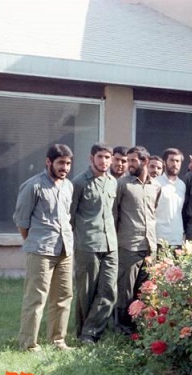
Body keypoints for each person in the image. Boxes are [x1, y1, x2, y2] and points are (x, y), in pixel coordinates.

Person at [13, 144, 75, 351]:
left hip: (65, 250)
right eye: (60, 163)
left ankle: (58, 341)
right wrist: (34, 241)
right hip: (41, 250)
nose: (65, 167)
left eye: (68, 163)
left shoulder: (68, 186)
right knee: (36, 298)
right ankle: (28, 344)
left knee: (63, 297)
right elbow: (21, 221)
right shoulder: (33, 186)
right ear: (48, 162)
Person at [70, 143, 118, 344]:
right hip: (88, 244)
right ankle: (84, 334)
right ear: (91, 158)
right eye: (100, 157)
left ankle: (91, 331)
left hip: (110, 244)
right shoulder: (79, 183)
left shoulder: (113, 182)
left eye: (107, 157)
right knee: (86, 292)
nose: (104, 161)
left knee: (109, 290)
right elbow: (70, 216)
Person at [113, 146, 161, 335]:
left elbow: (153, 212)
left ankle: (141, 329)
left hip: (149, 247)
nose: (129, 165)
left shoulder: (156, 187)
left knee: (145, 292)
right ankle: (123, 330)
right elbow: (114, 214)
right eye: (128, 161)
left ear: (145, 161)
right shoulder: (122, 185)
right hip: (128, 246)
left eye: (133, 161)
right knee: (125, 292)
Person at [155, 148, 186, 249]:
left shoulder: (182, 185)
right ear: (164, 162)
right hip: (159, 238)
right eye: (172, 160)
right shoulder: (155, 183)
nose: (175, 164)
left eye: (177, 161)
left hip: (177, 238)